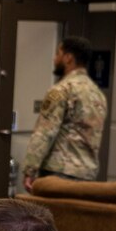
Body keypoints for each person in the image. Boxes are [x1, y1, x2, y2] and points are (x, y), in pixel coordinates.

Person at [22, 35, 108, 188]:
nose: (54, 59)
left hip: (59, 171)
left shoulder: (61, 90)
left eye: (58, 54)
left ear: (68, 58)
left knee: (53, 212)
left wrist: (30, 169)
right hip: (87, 174)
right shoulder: (98, 94)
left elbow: (45, 132)